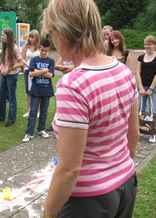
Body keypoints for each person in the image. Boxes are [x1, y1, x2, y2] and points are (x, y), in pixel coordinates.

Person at [41, 0, 139, 217]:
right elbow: (133, 134)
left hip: (89, 200)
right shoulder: (123, 71)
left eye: (51, 32)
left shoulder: (73, 84)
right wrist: (117, 170)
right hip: (125, 183)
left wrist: (48, 214)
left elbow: (69, 169)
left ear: (63, 32)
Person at [22, 38, 54, 143]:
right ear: (39, 48)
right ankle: (29, 133)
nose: (44, 52)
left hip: (46, 90)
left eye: (46, 51)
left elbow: (50, 75)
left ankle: (41, 129)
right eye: (42, 50)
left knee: (44, 112)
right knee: (33, 111)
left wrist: (38, 71)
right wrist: (44, 70)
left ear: (48, 50)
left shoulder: (51, 61)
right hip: (35, 90)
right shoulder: (34, 60)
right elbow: (31, 73)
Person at [0, 28, 23, 127]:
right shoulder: (5, 46)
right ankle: (0, 116)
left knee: (12, 97)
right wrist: (1, 68)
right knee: (2, 95)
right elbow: (4, 61)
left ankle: (11, 119)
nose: (1, 36)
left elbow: (20, 62)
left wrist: (8, 69)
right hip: (4, 75)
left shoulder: (15, 48)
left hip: (12, 75)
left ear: (8, 37)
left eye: (3, 35)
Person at [136, 35, 156, 143]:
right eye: (146, 44)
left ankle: (153, 133)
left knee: (154, 111)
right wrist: (141, 87)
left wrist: (151, 88)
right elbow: (138, 73)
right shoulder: (141, 57)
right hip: (142, 87)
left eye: (150, 44)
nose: (147, 46)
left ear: (154, 45)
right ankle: (140, 129)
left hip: (153, 87)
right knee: (140, 110)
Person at [21, 30, 40, 118]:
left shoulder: (39, 47)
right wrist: (28, 64)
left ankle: (38, 110)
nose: (31, 39)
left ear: (37, 38)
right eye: (30, 37)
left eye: (33, 37)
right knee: (28, 91)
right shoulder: (25, 46)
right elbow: (22, 59)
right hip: (27, 70)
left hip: (37, 71)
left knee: (37, 91)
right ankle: (29, 110)